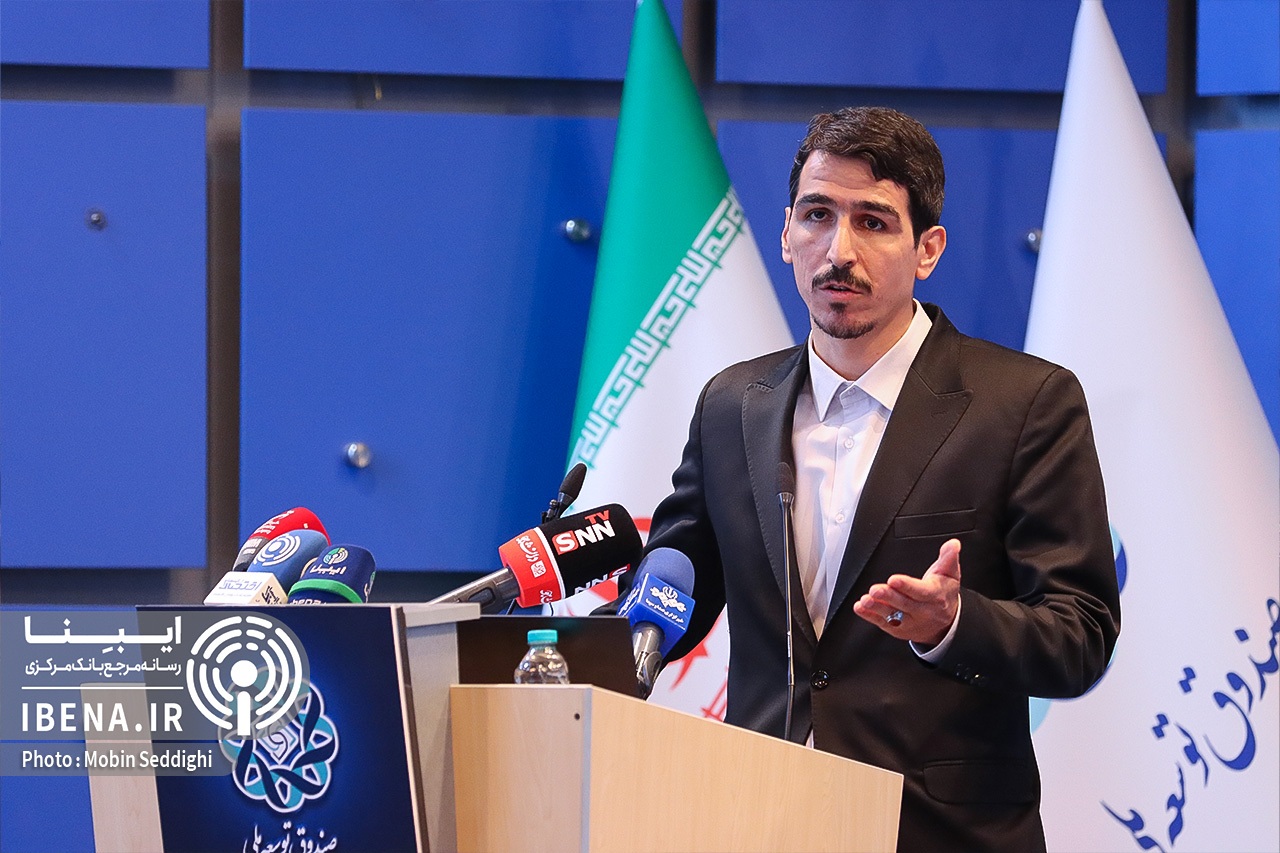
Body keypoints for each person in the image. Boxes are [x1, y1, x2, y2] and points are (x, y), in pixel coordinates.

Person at [630, 107, 1121, 852]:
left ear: (927, 249)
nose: (839, 251)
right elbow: (677, 591)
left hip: (940, 833)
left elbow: (1081, 633)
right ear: (786, 232)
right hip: (760, 822)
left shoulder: (1024, 404)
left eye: (873, 222)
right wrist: (587, 645)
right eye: (817, 216)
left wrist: (952, 624)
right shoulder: (732, 405)